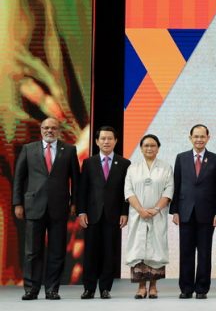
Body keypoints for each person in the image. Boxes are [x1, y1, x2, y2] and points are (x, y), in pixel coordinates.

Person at [12, 117, 80, 300]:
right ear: (41, 129)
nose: (49, 131)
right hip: (33, 206)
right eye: (46, 128)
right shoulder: (29, 149)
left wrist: (75, 203)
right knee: (32, 251)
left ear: (59, 130)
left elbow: (76, 180)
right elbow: (19, 178)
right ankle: (31, 289)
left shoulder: (69, 150)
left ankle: (52, 289)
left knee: (57, 251)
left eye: (53, 128)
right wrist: (17, 203)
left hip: (59, 207)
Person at [170, 124, 216, 299]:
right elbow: (176, 185)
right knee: (185, 252)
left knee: (204, 252)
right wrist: (175, 210)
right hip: (185, 212)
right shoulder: (181, 158)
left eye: (202, 136)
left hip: (207, 214)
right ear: (190, 138)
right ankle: (186, 288)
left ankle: (202, 289)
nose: (199, 139)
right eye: (196, 136)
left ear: (208, 138)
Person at [78, 126, 131, 299]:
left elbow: (126, 191)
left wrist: (125, 212)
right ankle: (89, 288)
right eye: (103, 138)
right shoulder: (89, 163)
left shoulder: (124, 163)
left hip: (114, 215)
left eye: (110, 138)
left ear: (116, 141)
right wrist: (81, 212)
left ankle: (105, 288)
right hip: (92, 215)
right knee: (91, 253)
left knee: (110, 252)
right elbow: (82, 189)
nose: (106, 141)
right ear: (96, 141)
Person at [124, 134, 173, 299]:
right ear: (141, 148)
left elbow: (169, 190)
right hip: (138, 215)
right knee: (139, 249)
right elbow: (128, 190)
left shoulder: (166, 168)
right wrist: (140, 210)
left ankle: (153, 286)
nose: (149, 148)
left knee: (155, 249)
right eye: (146, 145)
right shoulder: (133, 168)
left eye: (153, 145)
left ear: (158, 148)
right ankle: (140, 287)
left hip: (157, 215)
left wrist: (156, 209)